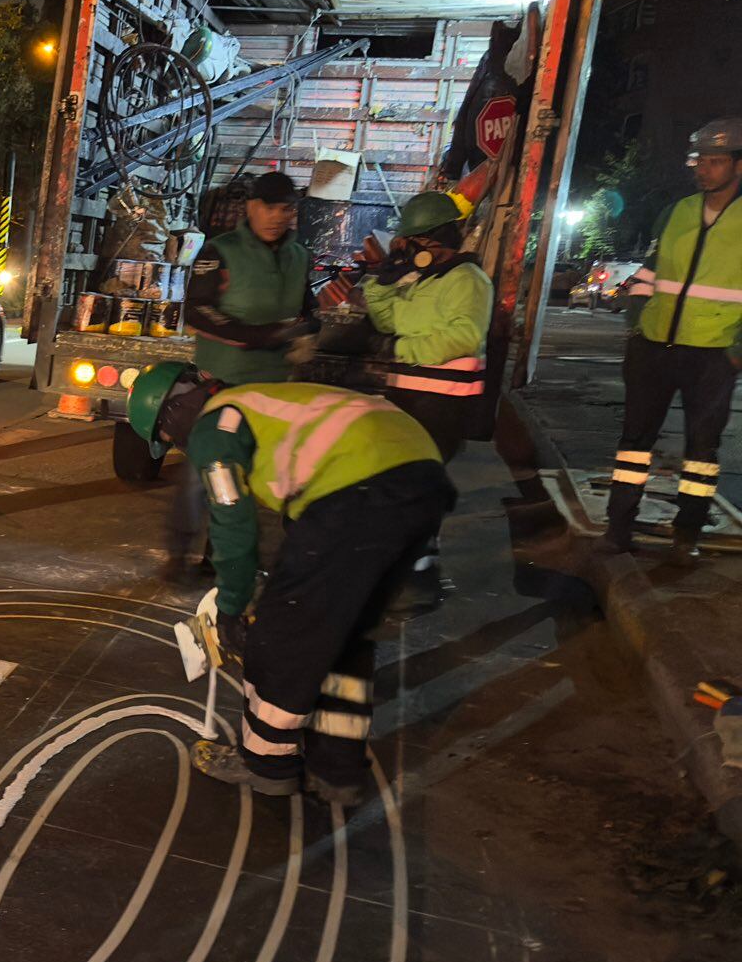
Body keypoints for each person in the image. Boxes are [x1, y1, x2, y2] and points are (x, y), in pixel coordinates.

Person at [126, 363, 454, 806]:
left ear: (172, 412)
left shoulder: (214, 428)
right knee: (344, 638)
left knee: (279, 637)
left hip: (357, 493)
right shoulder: (260, 400)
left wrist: (233, 605)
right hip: (421, 475)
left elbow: (232, 523)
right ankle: (337, 771)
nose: (179, 447)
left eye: (168, 439)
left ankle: (266, 763)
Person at [164, 171, 318, 577]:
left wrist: (305, 331)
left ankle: (221, 557)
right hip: (223, 383)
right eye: (269, 207)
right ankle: (179, 553)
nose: (277, 216)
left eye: (285, 209)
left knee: (249, 477)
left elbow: (308, 309)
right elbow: (199, 311)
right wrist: (262, 336)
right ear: (251, 207)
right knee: (204, 470)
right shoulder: (221, 251)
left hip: (275, 388)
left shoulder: (299, 256)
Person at [606, 117, 742, 565]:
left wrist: (737, 353)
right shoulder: (677, 212)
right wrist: (637, 325)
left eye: (715, 161)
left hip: (713, 354)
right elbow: (648, 273)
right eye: (699, 160)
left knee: (701, 451)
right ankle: (618, 529)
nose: (703, 169)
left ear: (739, 166)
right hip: (653, 347)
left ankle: (687, 535)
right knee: (633, 442)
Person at [360, 190, 491, 604]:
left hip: (443, 403)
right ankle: (408, 562)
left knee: (418, 483)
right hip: (407, 397)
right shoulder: (420, 279)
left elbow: (464, 336)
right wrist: (383, 280)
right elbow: (386, 319)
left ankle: (420, 574)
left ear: (439, 237)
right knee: (402, 481)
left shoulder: (468, 280)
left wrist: (401, 349)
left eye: (413, 240)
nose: (407, 248)